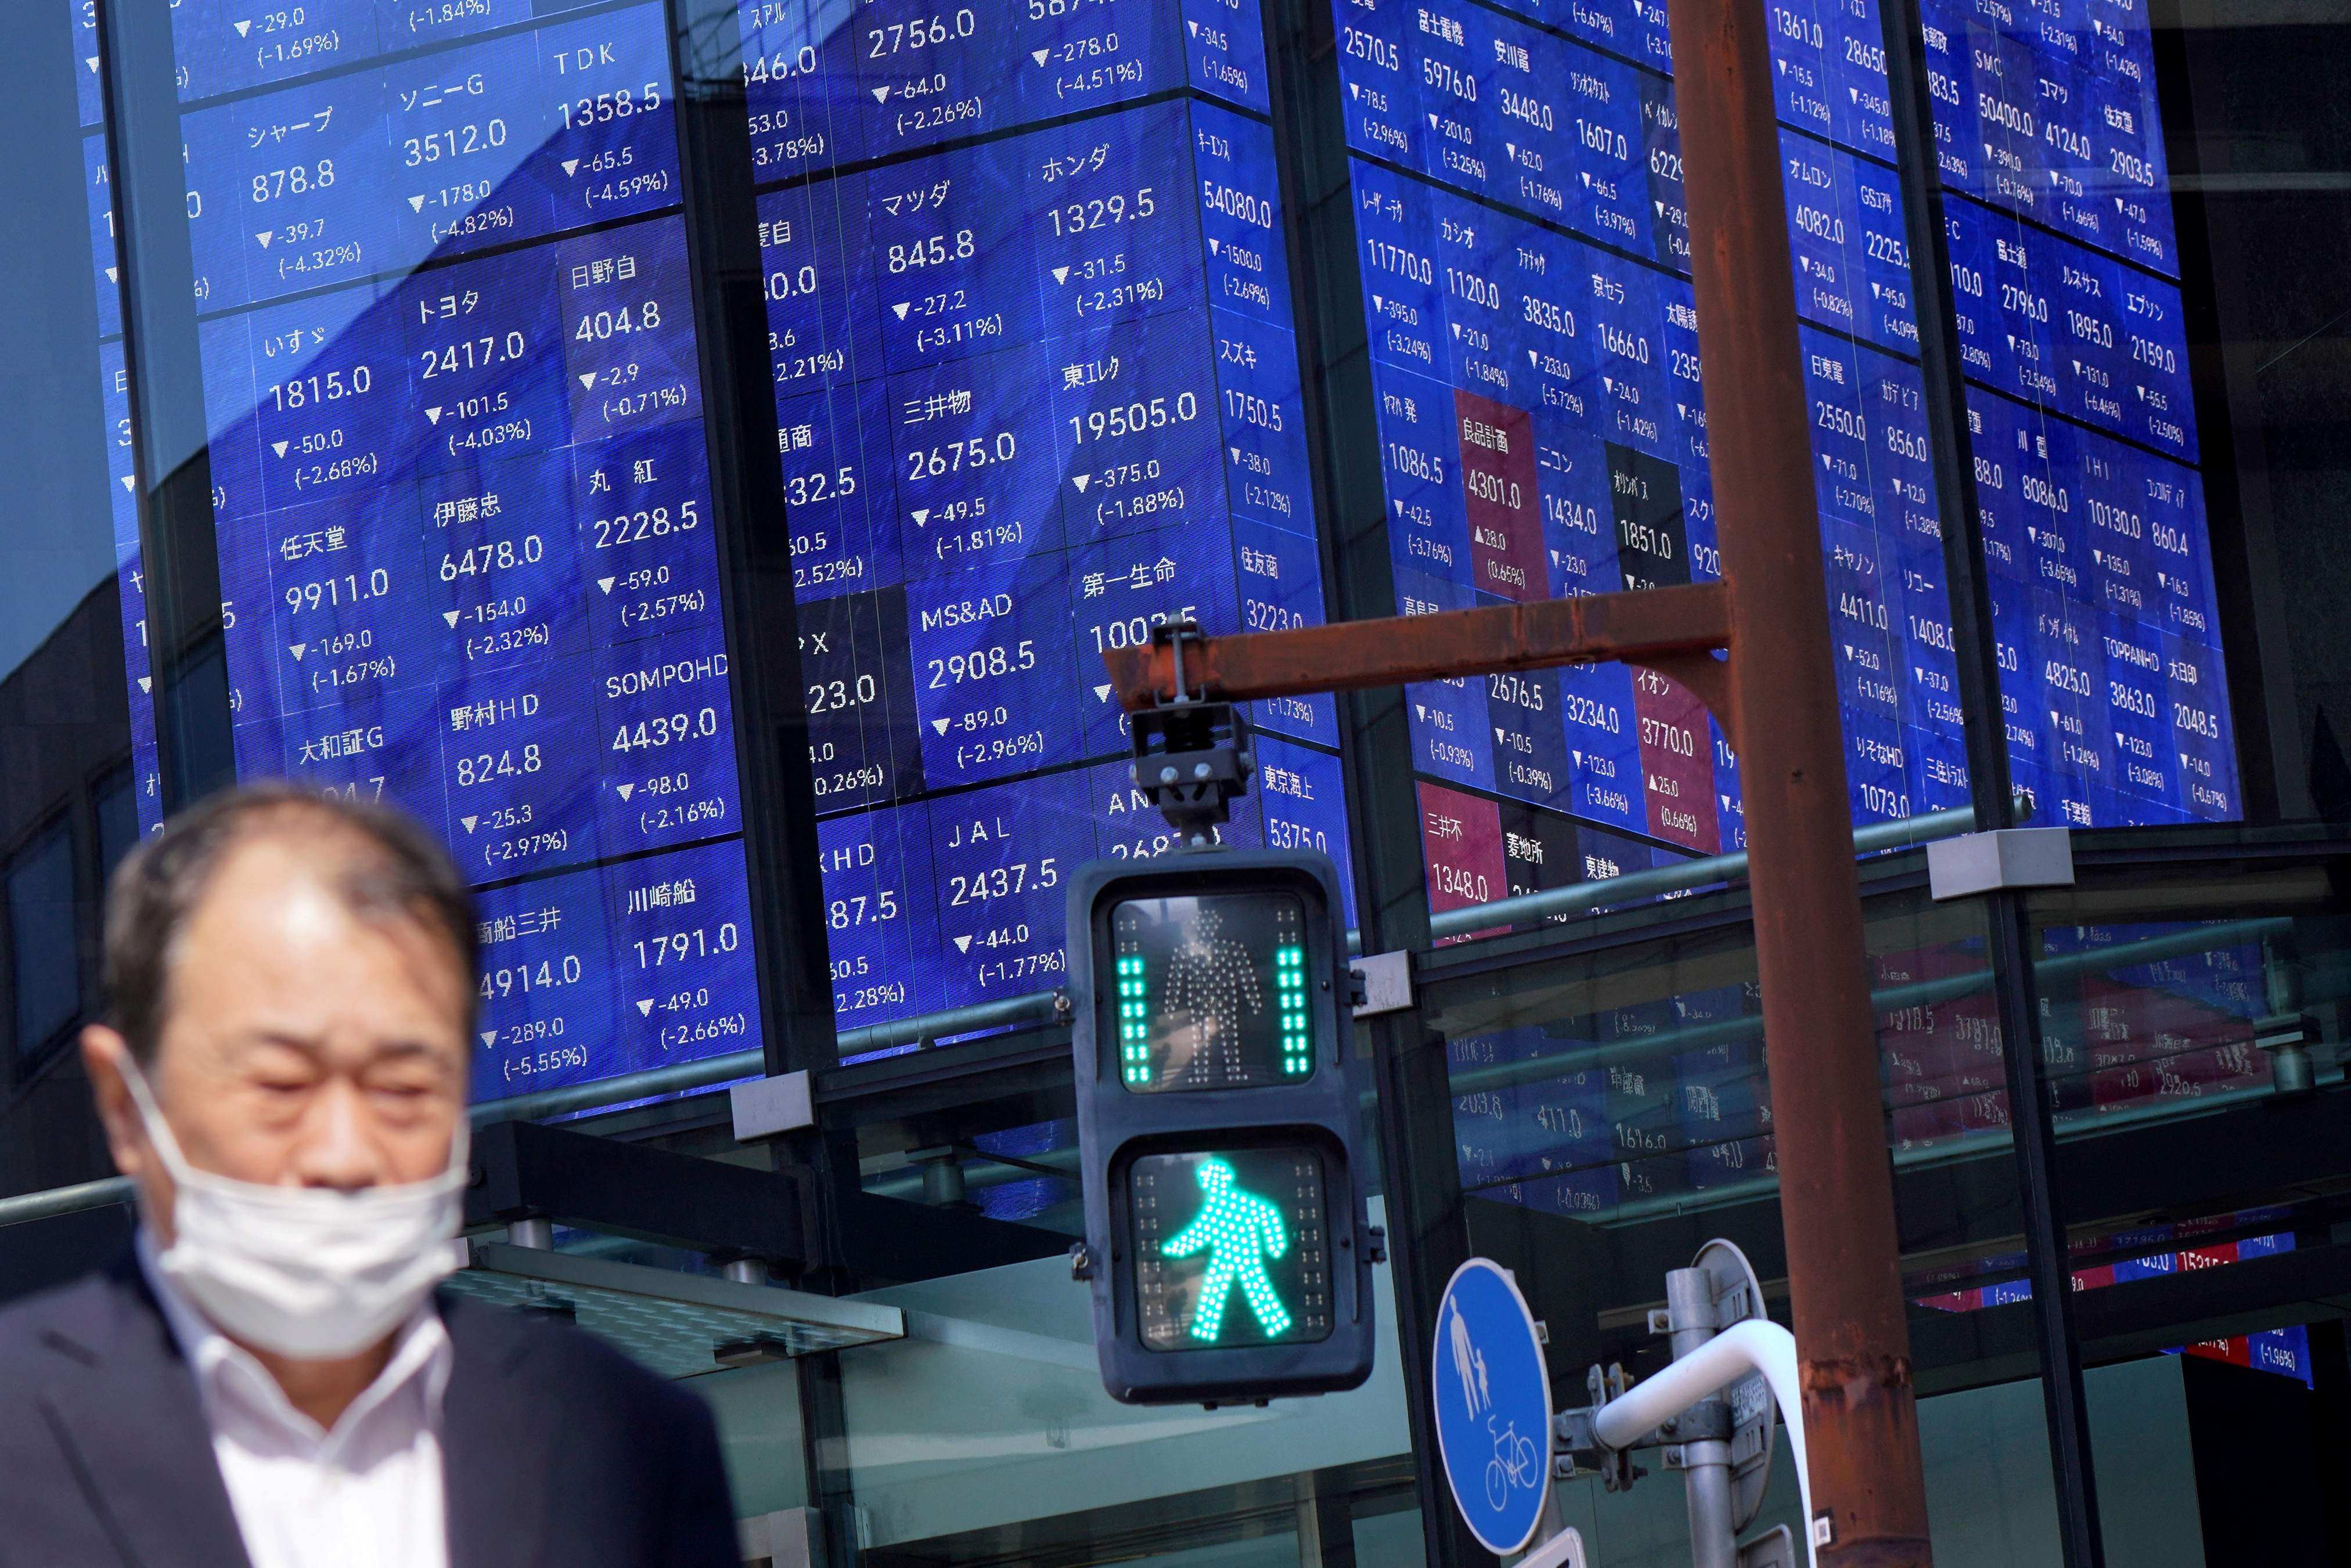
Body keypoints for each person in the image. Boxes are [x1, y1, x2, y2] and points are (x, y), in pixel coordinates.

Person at [0, 785, 739, 1568]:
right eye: (280, 1084)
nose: (345, 1154)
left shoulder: (634, 1441)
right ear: (125, 1107)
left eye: (404, 1089)